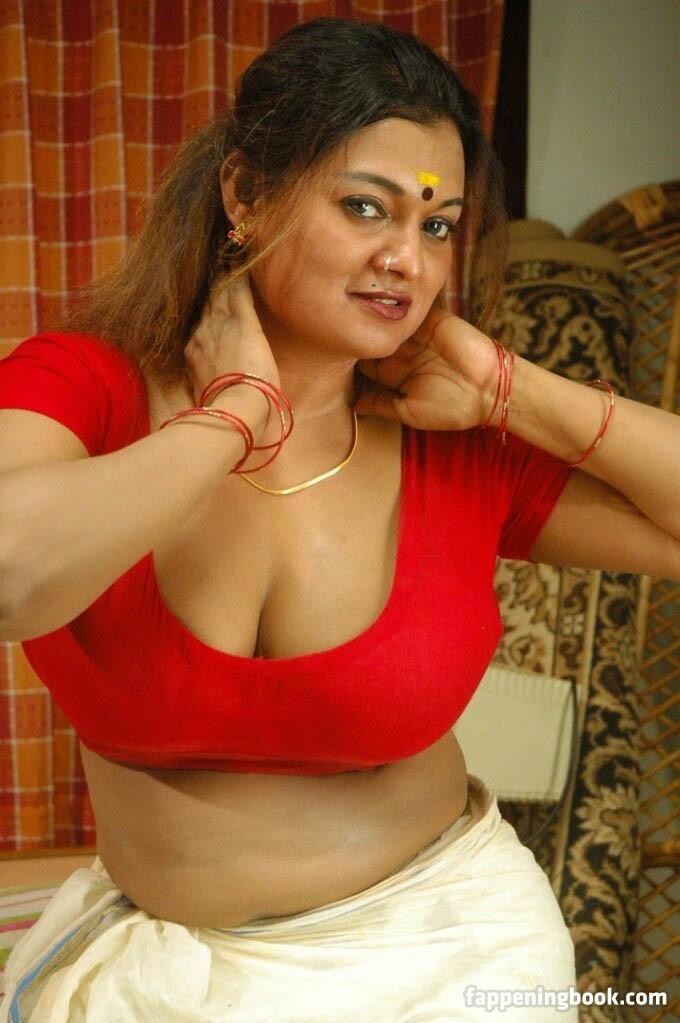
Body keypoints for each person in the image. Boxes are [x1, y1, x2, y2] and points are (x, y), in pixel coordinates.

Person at [0, 16, 678, 1023]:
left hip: (450, 959)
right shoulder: (83, 387)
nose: (405, 259)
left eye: (437, 226)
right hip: (169, 978)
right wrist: (233, 416)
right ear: (244, 194)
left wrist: (512, 388)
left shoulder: (454, 442)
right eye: (366, 207)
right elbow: (11, 572)